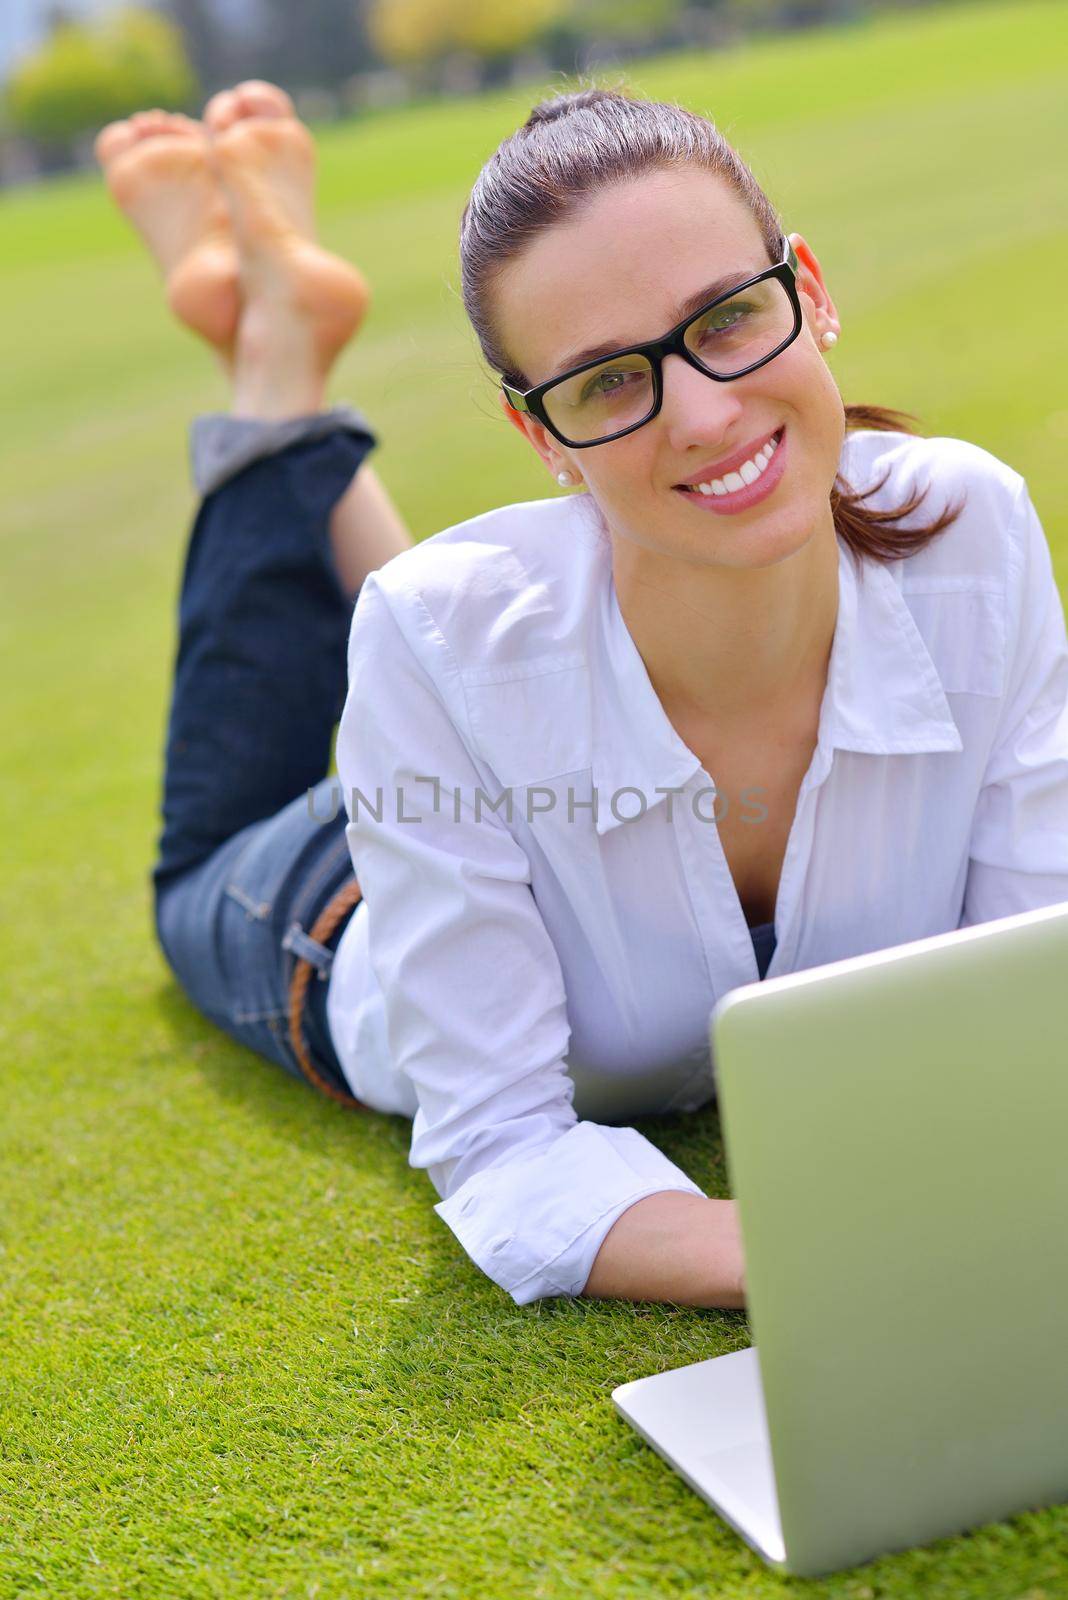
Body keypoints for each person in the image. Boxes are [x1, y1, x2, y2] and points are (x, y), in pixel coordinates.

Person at [97, 83, 1068, 1314]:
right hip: (330, 902)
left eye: (726, 319)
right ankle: (273, 360)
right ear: (539, 434)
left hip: (468, 741)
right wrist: (825, 1254)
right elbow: (501, 1143)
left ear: (808, 291)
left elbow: (1043, 998)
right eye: (609, 381)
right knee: (268, 797)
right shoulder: (429, 637)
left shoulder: (969, 533)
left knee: (462, 635)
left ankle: (275, 337)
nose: (706, 412)